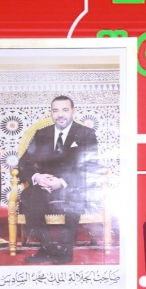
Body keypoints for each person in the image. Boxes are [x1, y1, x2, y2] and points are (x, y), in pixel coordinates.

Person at [18, 95, 100, 264]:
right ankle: (47, 248)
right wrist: (37, 177)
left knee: (74, 197)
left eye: (65, 110)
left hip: (72, 186)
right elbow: (23, 163)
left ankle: (65, 250)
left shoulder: (86, 133)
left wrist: (62, 182)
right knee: (29, 195)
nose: (60, 114)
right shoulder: (42, 134)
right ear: (51, 113)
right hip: (45, 186)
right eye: (55, 110)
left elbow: (89, 166)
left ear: (73, 111)